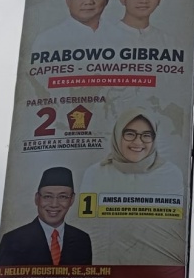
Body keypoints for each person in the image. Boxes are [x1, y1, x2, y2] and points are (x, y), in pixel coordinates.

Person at [79, 108, 186, 266]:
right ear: (117, 135)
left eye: (146, 135)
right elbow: (86, 225)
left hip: (156, 272)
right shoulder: (96, 173)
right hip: (102, 271)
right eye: (129, 134)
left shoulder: (170, 174)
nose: (138, 142)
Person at [0, 166, 92, 267]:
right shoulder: (13, 240)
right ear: (37, 199)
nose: (54, 204)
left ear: (72, 200)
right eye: (47, 196)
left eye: (62, 197)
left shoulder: (82, 239)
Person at [32, 0, 110, 52]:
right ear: (68, 0)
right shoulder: (48, 39)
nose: (89, 2)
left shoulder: (119, 34)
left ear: (107, 0)